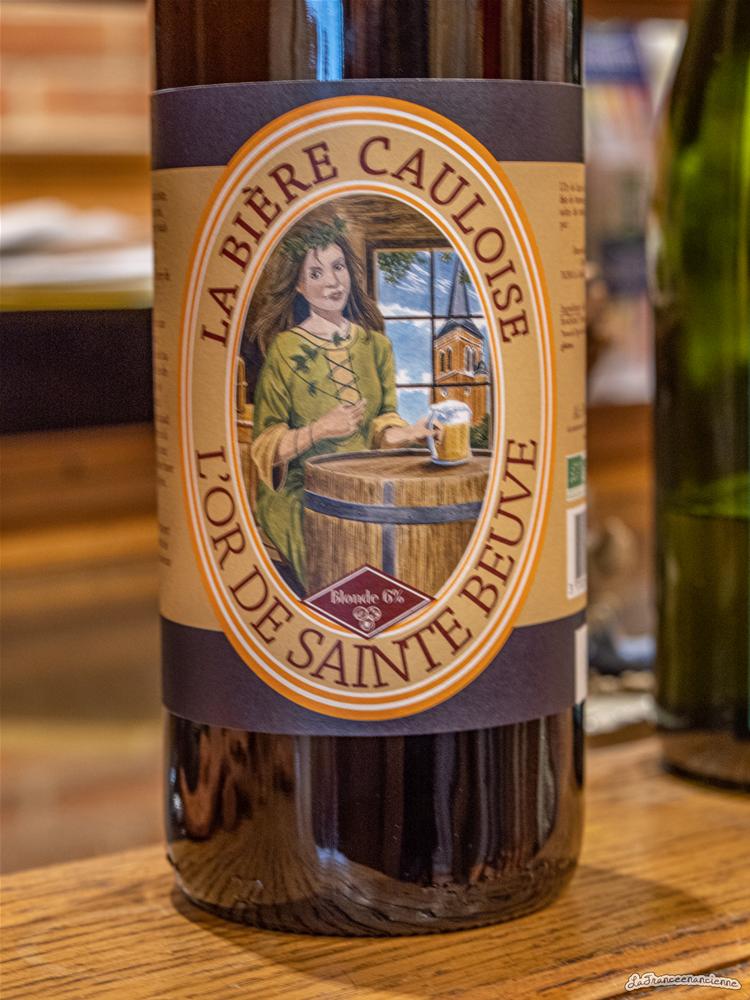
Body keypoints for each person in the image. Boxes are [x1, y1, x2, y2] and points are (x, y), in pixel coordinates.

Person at [248, 208, 430, 592]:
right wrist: (318, 430)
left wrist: (409, 433)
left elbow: (383, 421)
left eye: (338, 267)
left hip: (365, 482)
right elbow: (265, 445)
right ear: (299, 287)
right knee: (335, 544)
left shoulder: (376, 345)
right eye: (316, 274)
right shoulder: (284, 349)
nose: (332, 282)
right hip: (301, 489)